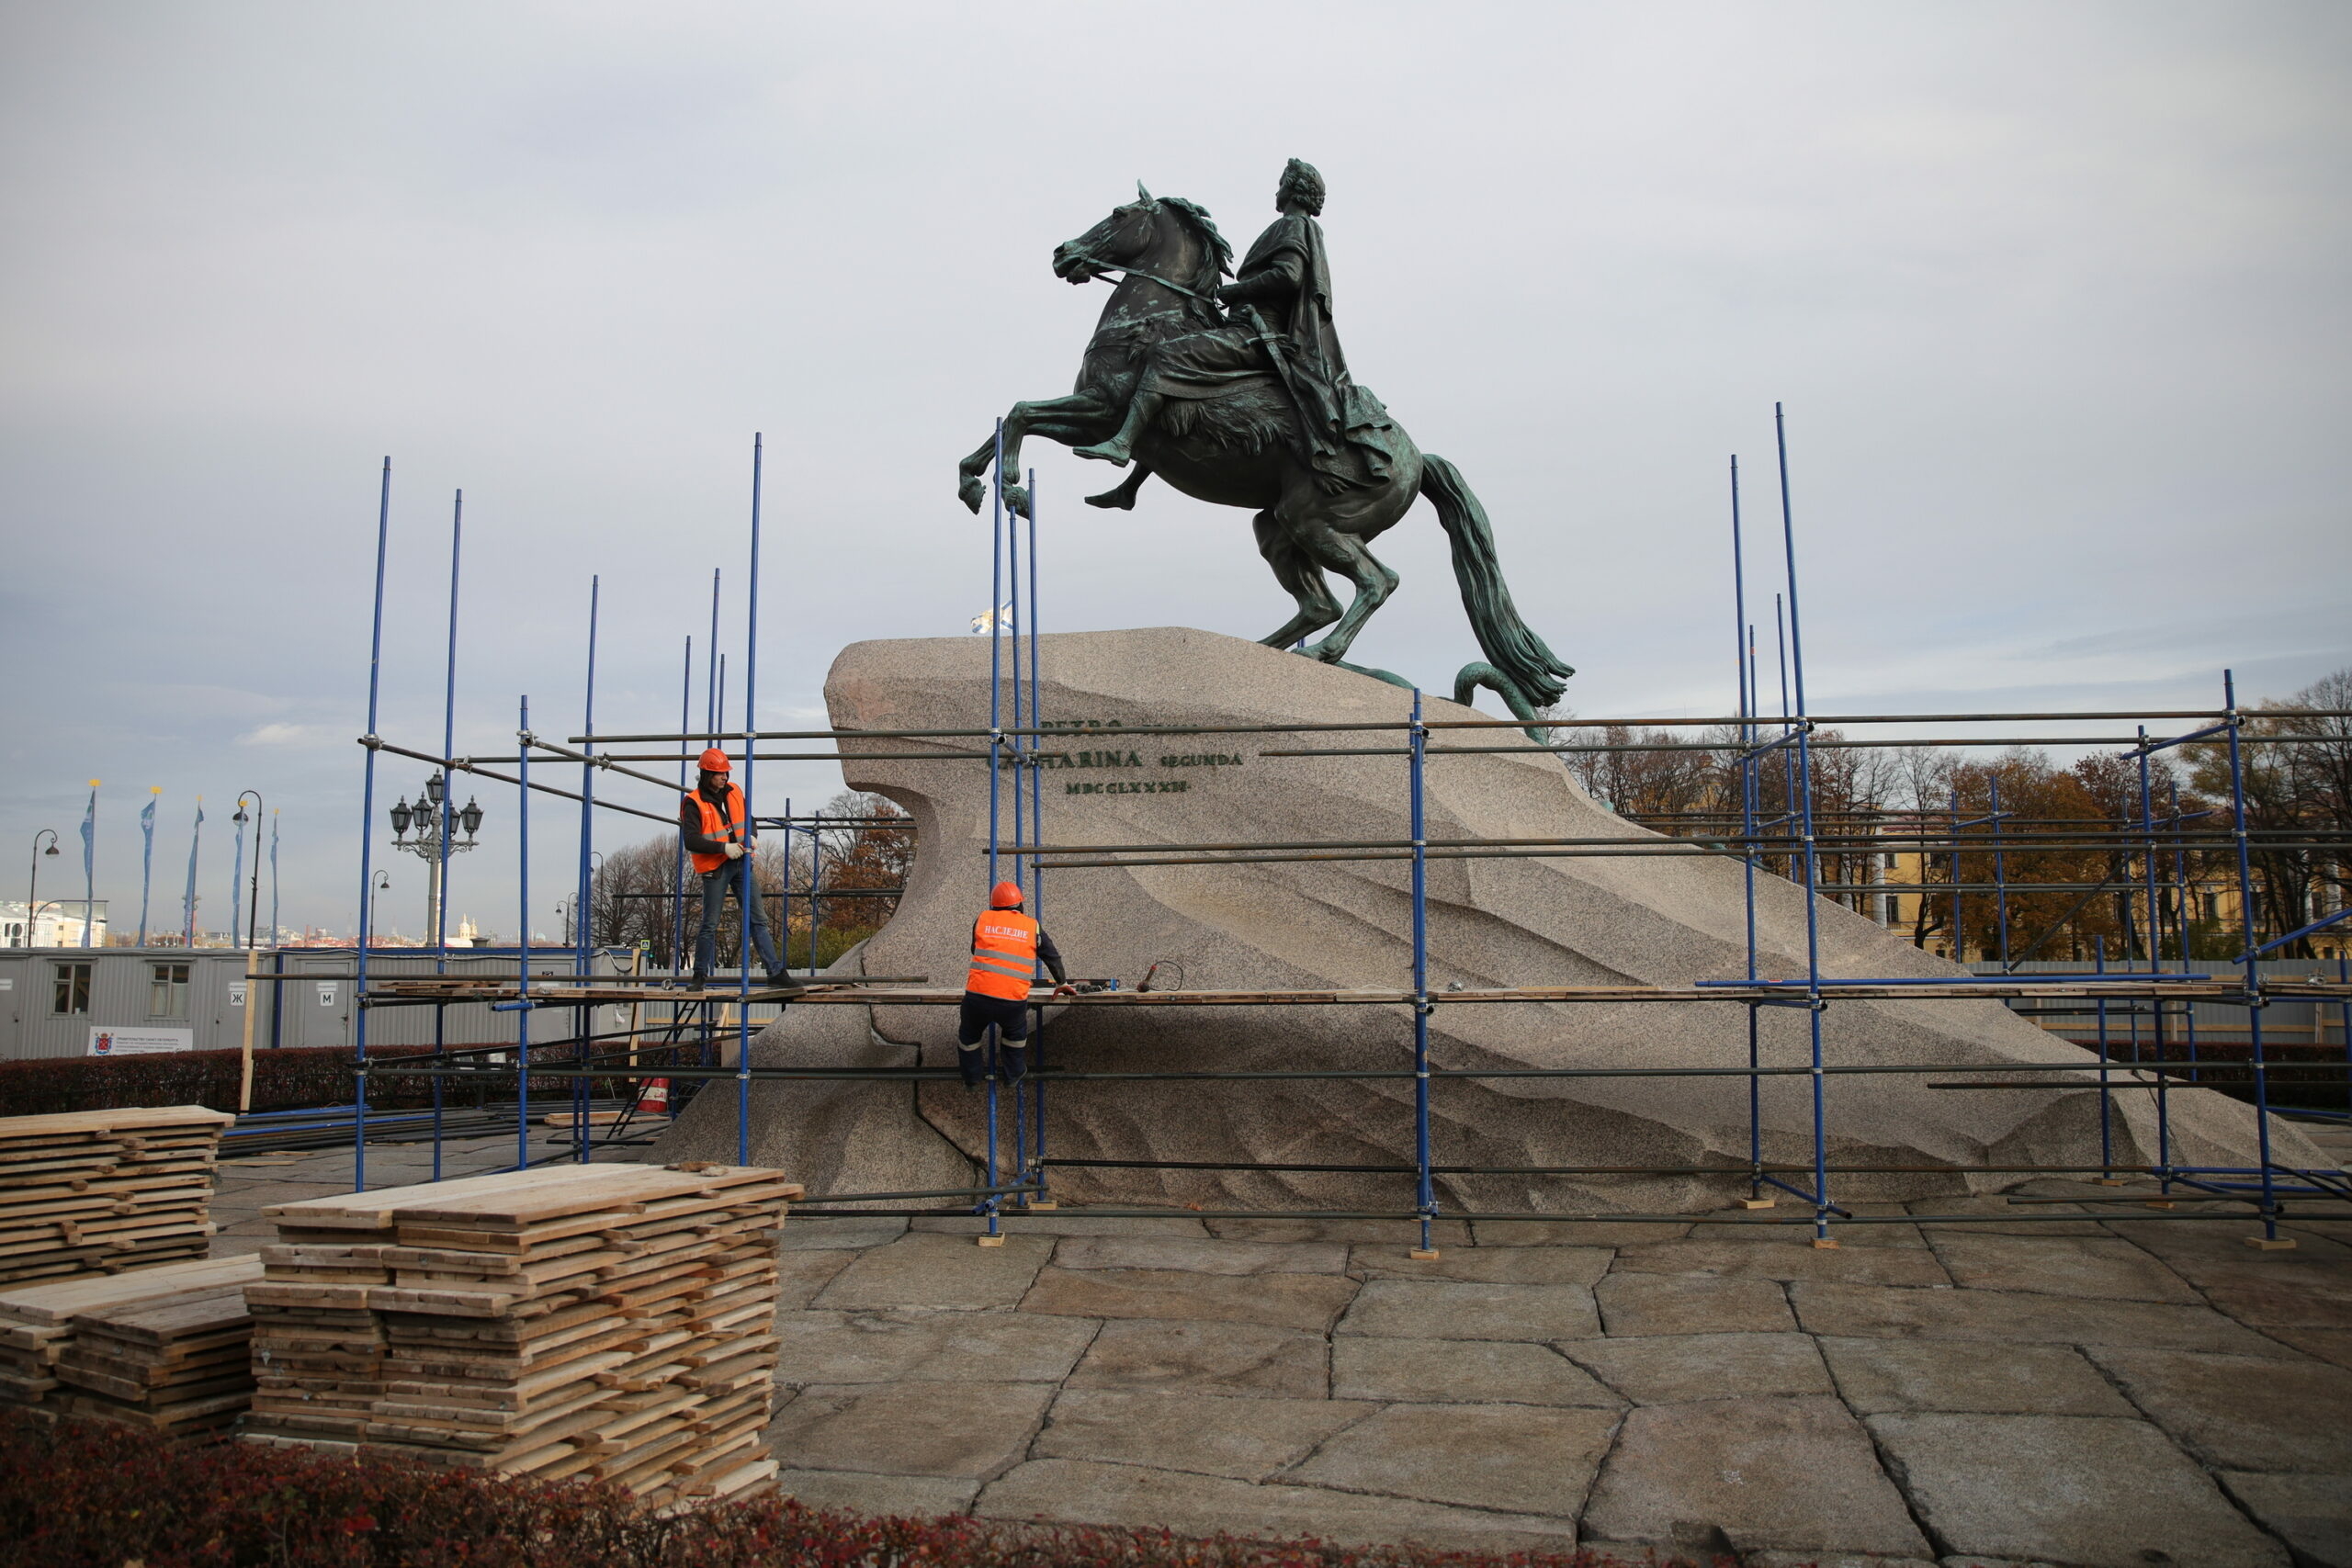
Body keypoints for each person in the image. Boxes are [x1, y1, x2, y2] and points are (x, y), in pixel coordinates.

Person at [1073, 158, 1393, 491]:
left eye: (1282, 182)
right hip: (1250, 327)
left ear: (1295, 189)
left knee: (1167, 355)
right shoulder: (1299, 228)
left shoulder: (1292, 226)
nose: (1278, 189)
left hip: (1257, 333)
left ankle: (1123, 442)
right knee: (1181, 379)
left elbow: (1289, 274)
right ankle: (1131, 486)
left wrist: (1237, 290)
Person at [680, 747, 785, 987]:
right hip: (716, 867)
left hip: (741, 862)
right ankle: (699, 976)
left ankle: (776, 973)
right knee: (710, 923)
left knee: (758, 919)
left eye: (726, 772)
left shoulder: (734, 792)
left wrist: (752, 834)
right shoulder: (694, 803)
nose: (725, 777)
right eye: (719, 773)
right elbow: (691, 840)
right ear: (707, 774)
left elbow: (749, 818)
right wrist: (723, 848)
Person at [959, 880, 1073, 1087]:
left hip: (978, 997)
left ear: (993, 905)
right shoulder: (1031, 926)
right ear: (1019, 905)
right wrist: (1061, 983)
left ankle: (972, 1078)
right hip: (1011, 1001)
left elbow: (975, 949)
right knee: (1015, 1035)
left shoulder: (982, 918)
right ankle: (1014, 1075)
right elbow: (1052, 956)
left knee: (969, 1036)